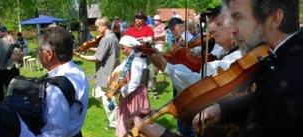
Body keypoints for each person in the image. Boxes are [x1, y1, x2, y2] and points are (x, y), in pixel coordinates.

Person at [127, 0, 303, 136]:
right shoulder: (286, 57)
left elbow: (271, 102)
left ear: (274, 18)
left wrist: (163, 135)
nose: (232, 29)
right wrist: (223, 109)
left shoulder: (289, 89)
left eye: (239, 17)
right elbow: (258, 97)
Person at [37, 25, 89, 136]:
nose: (38, 54)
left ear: (49, 54)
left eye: (39, 50)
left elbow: (53, 134)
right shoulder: (77, 70)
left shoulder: (55, 88)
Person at [74, 16, 120, 130]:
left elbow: (97, 58)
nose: (97, 29)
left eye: (98, 27)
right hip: (110, 71)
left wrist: (80, 56)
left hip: (107, 73)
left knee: (109, 99)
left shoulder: (105, 39)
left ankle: (115, 122)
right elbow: (104, 49)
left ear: (104, 26)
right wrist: (91, 49)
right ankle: (117, 114)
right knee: (96, 93)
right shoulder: (112, 36)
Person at [109, 35, 150, 137]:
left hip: (135, 93)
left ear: (130, 47)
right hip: (129, 92)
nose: (122, 51)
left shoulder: (137, 59)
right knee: (127, 116)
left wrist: (122, 92)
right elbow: (121, 66)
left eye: (123, 48)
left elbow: (135, 82)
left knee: (134, 116)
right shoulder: (131, 57)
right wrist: (113, 74)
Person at [123, 12, 155, 98]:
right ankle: (132, 94)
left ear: (144, 20)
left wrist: (145, 41)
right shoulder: (130, 30)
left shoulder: (148, 29)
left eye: (140, 18)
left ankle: (143, 94)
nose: (137, 19)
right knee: (131, 76)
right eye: (136, 17)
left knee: (145, 76)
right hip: (132, 56)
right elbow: (124, 41)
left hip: (144, 56)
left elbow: (150, 40)